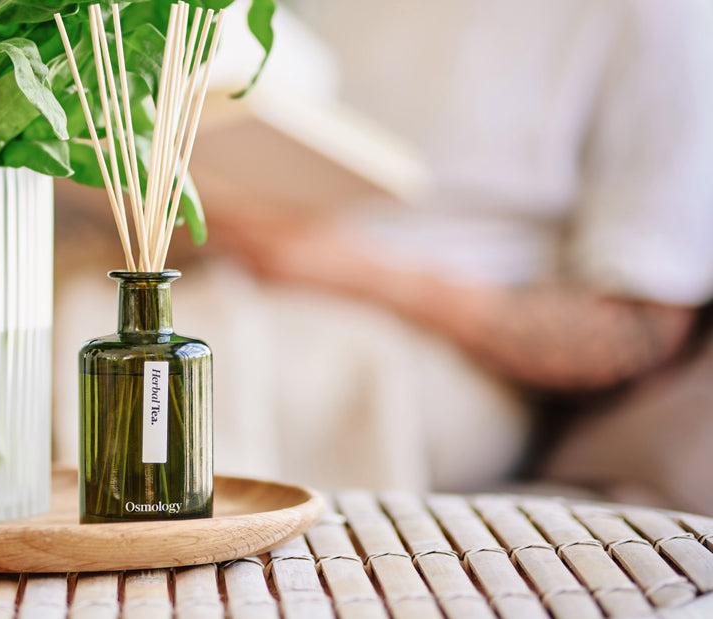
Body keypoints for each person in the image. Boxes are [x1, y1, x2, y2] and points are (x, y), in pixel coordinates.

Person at [54, 0, 713, 492]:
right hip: (231, 261)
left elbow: (642, 326)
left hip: (433, 338)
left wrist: (341, 266)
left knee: (171, 386)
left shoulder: (653, 18)